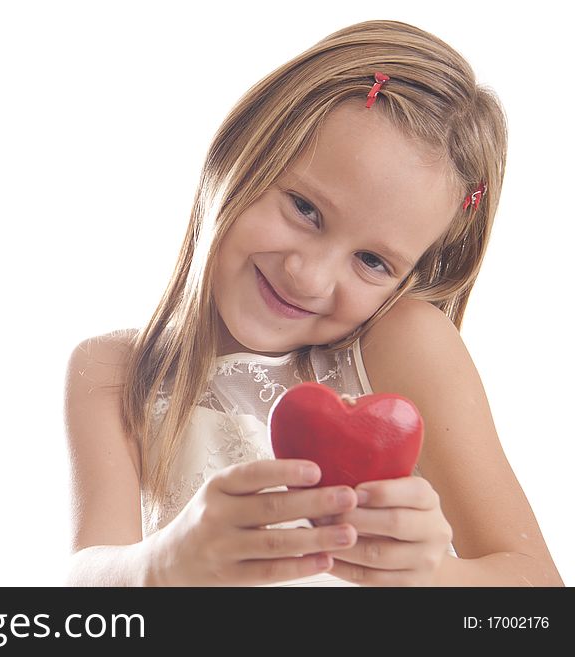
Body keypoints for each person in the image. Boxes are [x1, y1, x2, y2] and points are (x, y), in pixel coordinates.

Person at [63, 19, 563, 586]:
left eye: (373, 262)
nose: (309, 277)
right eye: (305, 208)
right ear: (243, 150)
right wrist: (161, 564)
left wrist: (434, 579)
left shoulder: (402, 345)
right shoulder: (115, 371)